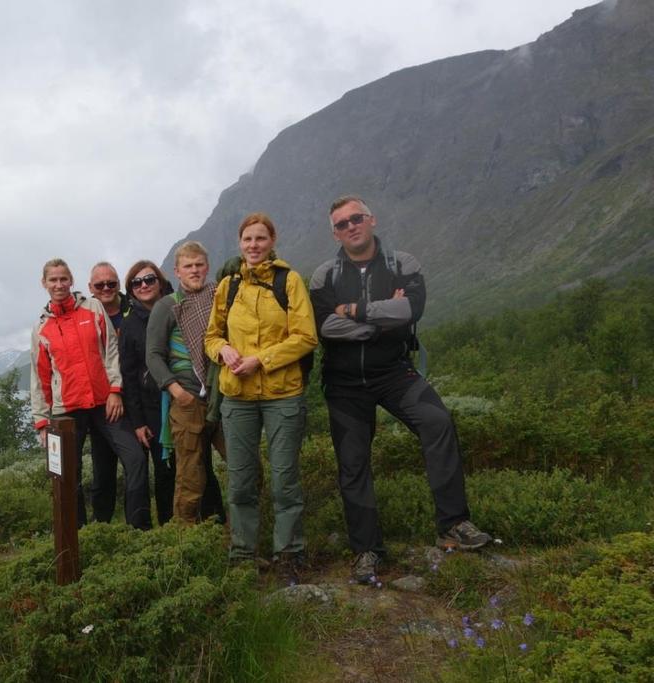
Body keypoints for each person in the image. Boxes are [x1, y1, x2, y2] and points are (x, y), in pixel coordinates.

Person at [309, 195, 492, 585]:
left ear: (371, 219)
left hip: (394, 373)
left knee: (437, 422)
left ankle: (454, 525)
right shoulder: (324, 275)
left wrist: (354, 311)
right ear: (334, 233)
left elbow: (411, 311)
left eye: (356, 218)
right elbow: (325, 327)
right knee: (353, 463)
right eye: (341, 224)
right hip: (343, 384)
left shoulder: (402, 263)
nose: (350, 227)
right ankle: (367, 550)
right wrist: (381, 318)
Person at [205, 214, 317, 571]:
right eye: (247, 239)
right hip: (237, 397)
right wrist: (222, 349)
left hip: (283, 394)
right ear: (240, 243)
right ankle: (243, 554)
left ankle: (289, 552)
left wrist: (261, 360)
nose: (253, 245)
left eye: (260, 239)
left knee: (285, 478)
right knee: (240, 481)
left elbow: (305, 337)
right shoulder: (228, 286)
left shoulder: (290, 281)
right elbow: (211, 337)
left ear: (272, 241)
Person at [30, 258, 152, 530]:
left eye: (63, 278)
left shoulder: (93, 308)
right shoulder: (41, 328)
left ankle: (139, 531)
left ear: (71, 280)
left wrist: (115, 390)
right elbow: (40, 378)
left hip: (102, 403)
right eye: (53, 280)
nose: (59, 284)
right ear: (44, 284)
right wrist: (41, 422)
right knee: (66, 474)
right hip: (66, 411)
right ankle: (77, 535)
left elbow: (111, 351)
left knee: (135, 459)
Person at [146, 241, 226, 525]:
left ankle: (242, 543)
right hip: (188, 399)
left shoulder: (220, 297)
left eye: (199, 265)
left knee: (246, 468)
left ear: (207, 266)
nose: (194, 270)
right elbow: (153, 355)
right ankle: (187, 544)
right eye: (188, 266)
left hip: (225, 395)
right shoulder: (167, 306)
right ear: (177, 272)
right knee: (190, 475)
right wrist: (177, 391)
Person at [118, 260, 176, 525]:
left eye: (149, 279)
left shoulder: (179, 307)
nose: (143, 285)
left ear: (160, 282)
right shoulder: (129, 325)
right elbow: (129, 376)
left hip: (186, 399)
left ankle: (208, 525)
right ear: (131, 289)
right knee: (163, 472)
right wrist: (138, 422)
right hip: (152, 408)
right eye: (136, 282)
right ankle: (168, 529)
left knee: (196, 467)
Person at [86, 262, 132, 523]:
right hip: (101, 404)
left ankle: (136, 526)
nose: (106, 288)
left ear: (118, 285)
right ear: (90, 288)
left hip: (134, 399)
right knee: (102, 468)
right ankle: (101, 525)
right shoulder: (85, 315)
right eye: (99, 285)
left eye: (111, 283)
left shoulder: (133, 310)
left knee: (135, 464)